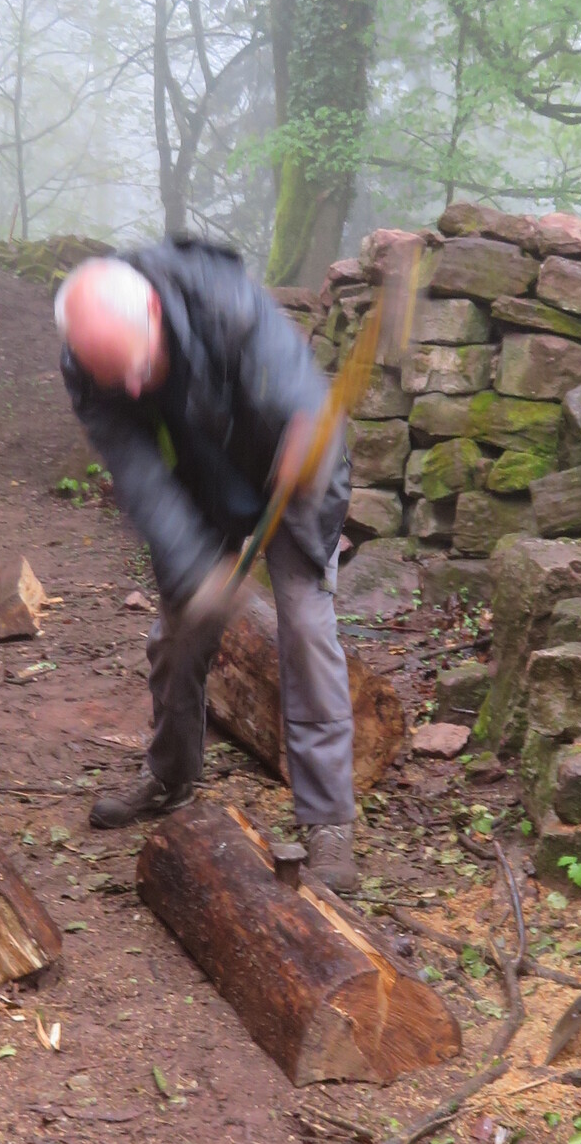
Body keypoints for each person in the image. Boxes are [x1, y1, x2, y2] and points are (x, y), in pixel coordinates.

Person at [55, 240, 359, 892]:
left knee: (306, 629)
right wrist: (195, 571)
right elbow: (139, 474)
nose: (129, 388)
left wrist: (304, 429)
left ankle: (330, 821)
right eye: (114, 376)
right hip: (200, 482)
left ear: (154, 312)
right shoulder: (86, 364)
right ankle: (170, 775)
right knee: (177, 631)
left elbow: (293, 378)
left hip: (294, 462)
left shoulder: (217, 297)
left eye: (135, 366)